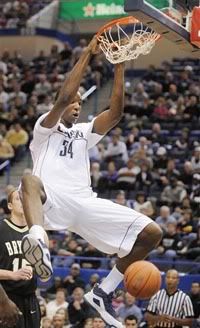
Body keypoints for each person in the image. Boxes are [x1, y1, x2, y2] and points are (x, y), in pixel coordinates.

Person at [20, 35, 162, 327]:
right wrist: (86, 53)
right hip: (52, 201)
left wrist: (119, 66)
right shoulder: (43, 129)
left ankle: (103, 291)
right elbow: (62, 98)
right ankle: (36, 239)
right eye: (73, 102)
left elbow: (116, 114)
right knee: (28, 179)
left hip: (85, 203)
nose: (76, 105)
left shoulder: (84, 132)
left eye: (80, 103)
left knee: (152, 233)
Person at [0, 189, 40, 328]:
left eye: (25, 198)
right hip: (6, 296)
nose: (23, 201)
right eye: (18, 198)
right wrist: (12, 274)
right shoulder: (1, 229)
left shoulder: (36, 231)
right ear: (10, 205)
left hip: (31, 298)